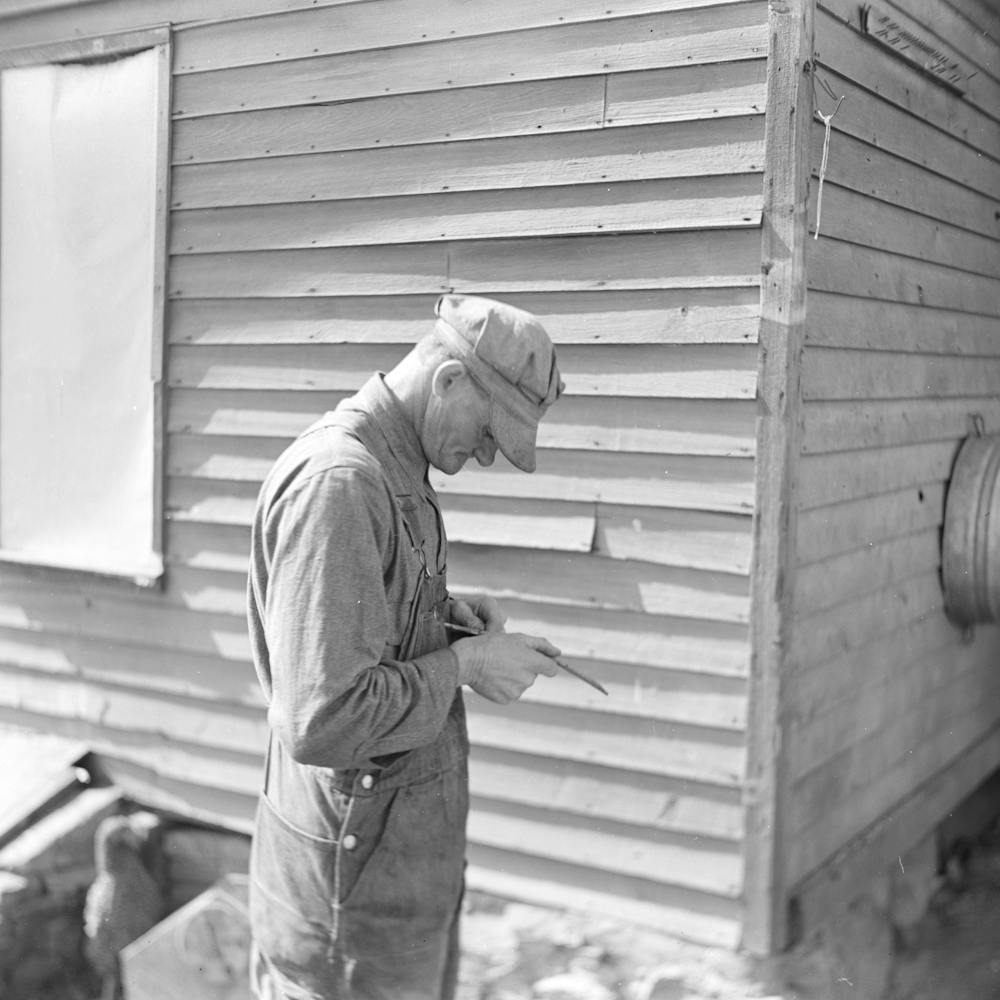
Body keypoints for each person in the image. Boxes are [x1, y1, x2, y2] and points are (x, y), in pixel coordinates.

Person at [246, 293, 566, 1000]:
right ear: (449, 381)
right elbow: (322, 716)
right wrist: (468, 664)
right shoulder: (341, 485)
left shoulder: (396, 470)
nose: (485, 455)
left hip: (393, 891)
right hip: (348, 928)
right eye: (489, 432)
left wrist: (445, 617)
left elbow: (359, 622)